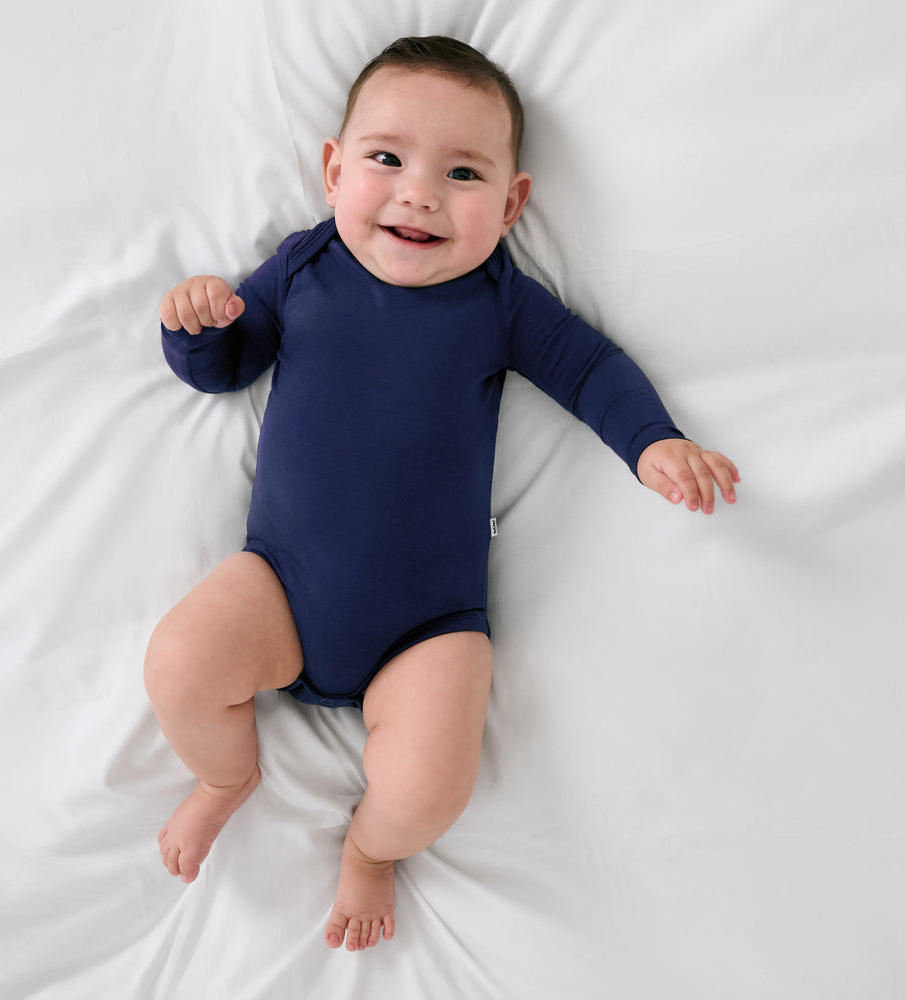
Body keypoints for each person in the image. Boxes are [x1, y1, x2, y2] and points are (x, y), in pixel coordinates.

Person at [144, 35, 740, 953]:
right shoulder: (303, 269)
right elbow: (228, 366)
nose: (419, 192)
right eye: (386, 159)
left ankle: (372, 850)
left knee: (431, 787)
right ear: (334, 170)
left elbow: (590, 370)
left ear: (512, 204)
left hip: (427, 630)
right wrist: (196, 327)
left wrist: (652, 441)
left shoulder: (500, 302)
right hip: (279, 587)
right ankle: (226, 777)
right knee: (180, 662)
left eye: (462, 173)